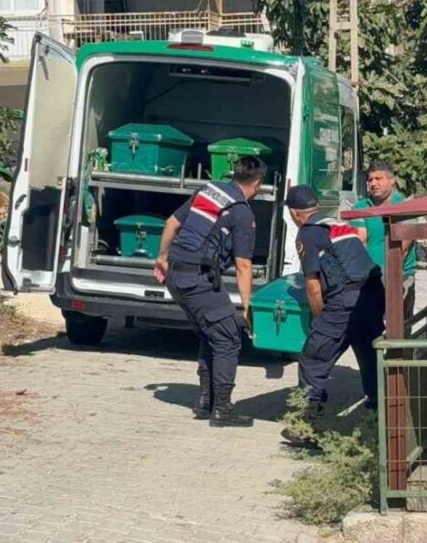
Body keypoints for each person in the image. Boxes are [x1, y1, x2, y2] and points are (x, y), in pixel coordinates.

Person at [154, 156, 266, 428]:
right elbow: (243, 265)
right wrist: (247, 307)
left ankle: (206, 401)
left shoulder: (209, 189)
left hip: (176, 275)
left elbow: (171, 223)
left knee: (210, 333)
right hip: (197, 280)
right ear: (257, 184)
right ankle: (223, 409)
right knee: (228, 338)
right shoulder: (242, 212)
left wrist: (162, 258)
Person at [283, 185, 385, 440]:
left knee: (313, 358)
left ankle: (307, 427)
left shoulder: (308, 233)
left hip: (344, 303)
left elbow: (313, 285)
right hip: (373, 296)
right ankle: (378, 419)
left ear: (294, 213)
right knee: (369, 355)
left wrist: (319, 320)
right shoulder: (337, 224)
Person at [350, 161, 417, 317]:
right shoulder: (360, 207)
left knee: (399, 323)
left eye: (378, 178)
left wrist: (389, 277)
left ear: (392, 180)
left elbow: (404, 246)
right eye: (370, 180)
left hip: (401, 275)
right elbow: (360, 241)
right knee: (370, 323)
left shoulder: (406, 208)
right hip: (370, 276)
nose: (373, 184)